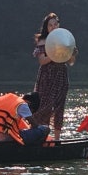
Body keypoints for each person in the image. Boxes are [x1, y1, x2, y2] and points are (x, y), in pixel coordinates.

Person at [32, 12, 76, 144]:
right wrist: (55, 52)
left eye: (55, 24)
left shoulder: (65, 39)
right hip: (46, 76)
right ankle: (41, 135)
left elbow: (71, 61)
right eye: (50, 25)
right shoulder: (43, 41)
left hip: (60, 76)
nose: (53, 27)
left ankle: (57, 139)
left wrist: (66, 52)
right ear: (46, 27)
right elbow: (42, 61)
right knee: (44, 105)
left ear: (59, 25)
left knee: (59, 107)